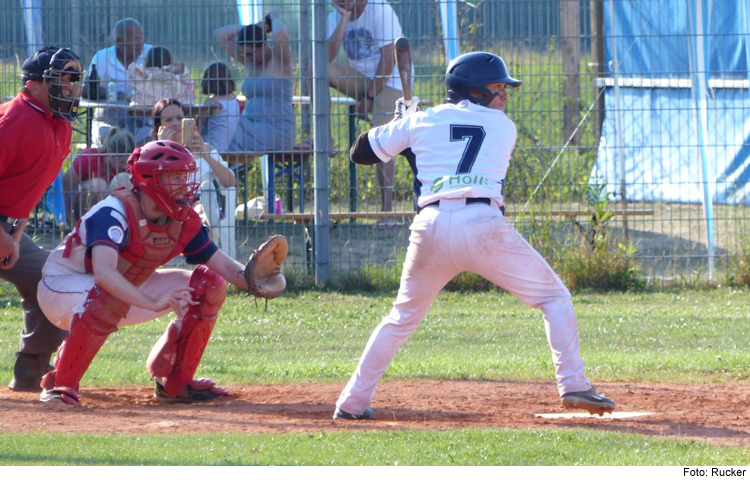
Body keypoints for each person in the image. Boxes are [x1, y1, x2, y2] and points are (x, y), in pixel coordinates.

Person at [332, 52, 616, 420]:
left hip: (431, 227)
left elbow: (361, 154)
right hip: (483, 226)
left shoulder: (425, 120)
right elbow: (442, 156)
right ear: (475, 92)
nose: (505, 94)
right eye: (498, 87)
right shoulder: (502, 126)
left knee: (400, 319)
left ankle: (351, 403)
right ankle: (574, 384)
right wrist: (411, 129)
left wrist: (401, 127)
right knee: (554, 298)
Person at [37, 140, 253, 406]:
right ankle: (60, 384)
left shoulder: (180, 216)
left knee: (209, 285)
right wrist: (152, 303)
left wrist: (260, 280)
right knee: (106, 294)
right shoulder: (113, 212)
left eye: (184, 176)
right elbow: (105, 274)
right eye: (175, 177)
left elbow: (229, 269)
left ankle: (173, 382)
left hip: (114, 289)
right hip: (60, 288)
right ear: (149, 179)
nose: (184, 185)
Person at [0, 46, 84, 392]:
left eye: (73, 80)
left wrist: (15, 236)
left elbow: (28, 193)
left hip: (7, 228)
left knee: (53, 285)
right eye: (61, 79)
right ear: (33, 84)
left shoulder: (60, 127)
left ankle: (30, 374)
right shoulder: (13, 121)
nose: (69, 87)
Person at [327, 0, 409, 227]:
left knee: (382, 141)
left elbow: (389, 61)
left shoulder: (381, 10)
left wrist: (369, 98)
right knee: (315, 69)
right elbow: (326, 57)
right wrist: (343, 19)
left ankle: (387, 213)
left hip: (390, 80)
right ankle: (326, 138)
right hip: (362, 81)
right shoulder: (335, 17)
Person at [150, 98, 236, 236]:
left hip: (201, 198)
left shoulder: (204, 148)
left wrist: (205, 154)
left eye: (179, 118)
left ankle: (205, 224)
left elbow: (231, 182)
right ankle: (205, 228)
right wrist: (165, 148)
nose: (175, 124)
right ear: (159, 125)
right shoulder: (154, 151)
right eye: (169, 120)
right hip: (170, 202)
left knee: (201, 205)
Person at [215, 12, 296, 152]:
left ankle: (225, 167)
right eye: (243, 53)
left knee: (221, 132)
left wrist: (272, 20)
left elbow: (280, 34)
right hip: (248, 126)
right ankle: (224, 169)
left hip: (275, 130)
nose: (246, 57)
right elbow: (220, 36)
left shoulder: (280, 60)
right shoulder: (249, 61)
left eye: (250, 53)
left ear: (264, 45)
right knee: (218, 125)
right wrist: (251, 28)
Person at [82, 18, 153, 146]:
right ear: (119, 41)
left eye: (141, 38)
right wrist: (116, 95)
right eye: (135, 38)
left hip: (143, 120)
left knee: (152, 138)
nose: (139, 43)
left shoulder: (151, 53)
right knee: (111, 141)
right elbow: (86, 89)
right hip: (109, 118)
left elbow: (168, 80)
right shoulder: (103, 57)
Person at [63, 127, 136, 224]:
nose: (124, 166)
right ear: (109, 152)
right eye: (121, 161)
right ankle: (85, 226)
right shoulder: (89, 157)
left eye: (127, 162)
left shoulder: (128, 166)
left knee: (124, 179)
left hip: (109, 209)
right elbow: (62, 188)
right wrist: (72, 223)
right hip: (77, 203)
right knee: (99, 185)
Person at [128, 46, 195, 106]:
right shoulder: (177, 77)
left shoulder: (143, 76)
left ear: (148, 61)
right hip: (171, 110)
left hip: (144, 112)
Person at [199, 62, 240, 153]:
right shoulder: (234, 100)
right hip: (229, 148)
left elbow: (196, 126)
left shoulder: (213, 102)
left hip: (211, 148)